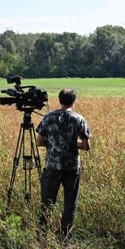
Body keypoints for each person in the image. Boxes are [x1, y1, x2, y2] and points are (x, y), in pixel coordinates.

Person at [35, 88, 91, 239]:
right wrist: (73, 144)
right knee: (70, 204)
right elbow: (86, 146)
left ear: (59, 100)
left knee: (47, 202)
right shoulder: (79, 119)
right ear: (74, 101)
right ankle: (64, 238)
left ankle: (41, 236)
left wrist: (54, 144)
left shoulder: (48, 117)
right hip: (72, 167)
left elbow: (39, 141)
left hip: (52, 167)